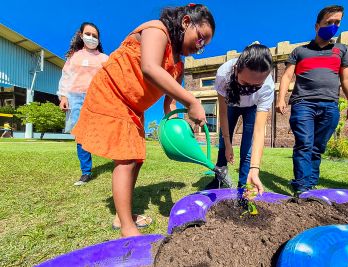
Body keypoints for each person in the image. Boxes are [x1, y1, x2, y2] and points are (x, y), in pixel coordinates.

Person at [72, 4, 215, 237]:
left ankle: (123, 215)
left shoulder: (179, 64)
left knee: (136, 158)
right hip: (113, 93)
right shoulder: (156, 30)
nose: (200, 48)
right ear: (186, 22)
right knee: (127, 159)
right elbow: (149, 68)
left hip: (133, 107)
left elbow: (169, 102)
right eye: (200, 39)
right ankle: (127, 228)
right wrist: (193, 101)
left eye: (204, 46)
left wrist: (179, 122)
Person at [276, 5, 348, 196]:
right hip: (303, 103)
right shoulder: (300, 51)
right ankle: (303, 188)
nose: (333, 26)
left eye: (337, 22)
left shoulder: (341, 51)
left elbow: (347, 78)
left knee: (317, 147)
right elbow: (287, 76)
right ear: (316, 26)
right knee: (304, 143)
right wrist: (281, 98)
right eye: (328, 22)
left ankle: (309, 183)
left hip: (330, 104)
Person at [205, 42, 274, 192]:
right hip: (231, 105)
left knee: (247, 148)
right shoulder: (223, 75)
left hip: (252, 108)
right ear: (236, 70)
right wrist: (228, 144)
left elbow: (259, 131)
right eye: (245, 83)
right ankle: (218, 180)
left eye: (256, 86)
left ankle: (244, 185)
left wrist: (255, 169)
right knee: (223, 144)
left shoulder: (268, 87)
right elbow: (222, 113)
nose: (249, 90)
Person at [57, 22, 108, 186]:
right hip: (76, 97)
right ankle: (86, 172)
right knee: (81, 135)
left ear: (99, 40)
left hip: (97, 98)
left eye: (95, 36)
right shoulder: (74, 56)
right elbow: (66, 77)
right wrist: (63, 97)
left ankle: (120, 160)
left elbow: (110, 79)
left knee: (102, 131)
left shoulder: (104, 58)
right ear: (81, 35)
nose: (91, 38)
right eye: (88, 34)